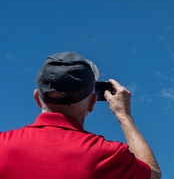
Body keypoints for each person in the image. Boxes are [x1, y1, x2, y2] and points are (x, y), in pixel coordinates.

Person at [0, 52, 161, 179]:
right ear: (92, 103)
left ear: (37, 98)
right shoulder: (109, 155)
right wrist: (124, 115)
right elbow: (152, 173)